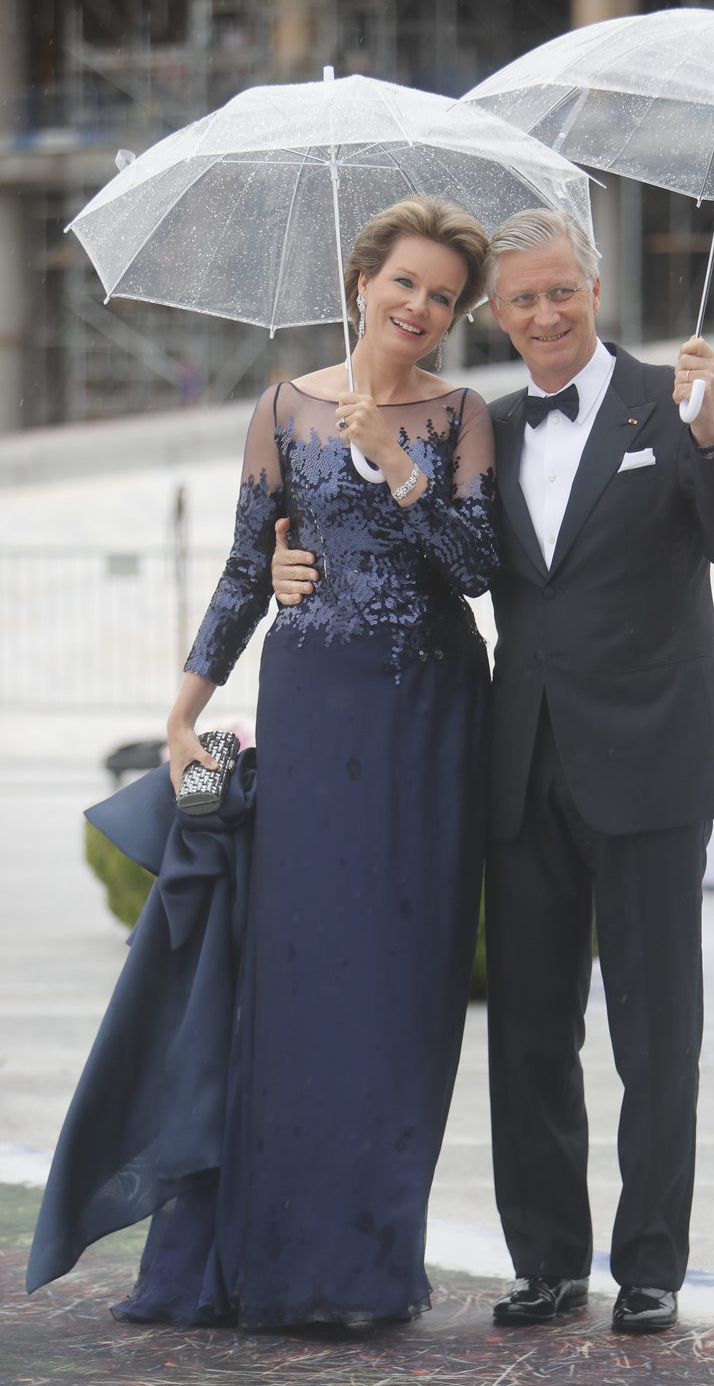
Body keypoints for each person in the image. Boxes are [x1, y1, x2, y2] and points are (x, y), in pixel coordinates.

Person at [271, 208, 714, 1336]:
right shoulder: (484, 424)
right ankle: (548, 1261)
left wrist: (707, 441)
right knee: (529, 1034)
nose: (542, 314)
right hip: (521, 761)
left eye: (560, 292)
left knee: (657, 1033)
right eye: (518, 300)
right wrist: (292, 548)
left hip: (653, 762)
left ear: (593, 290)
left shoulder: (675, 399)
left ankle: (650, 1264)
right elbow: (445, 554)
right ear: (491, 315)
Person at [29, 196, 498, 1329]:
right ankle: (276, 1256)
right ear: (361, 283)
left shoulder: (461, 415)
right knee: (298, 990)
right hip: (312, 715)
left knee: (401, 997)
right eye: (407, 286)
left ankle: (366, 1266)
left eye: (442, 297)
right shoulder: (280, 409)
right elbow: (249, 570)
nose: (422, 310)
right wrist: (186, 708)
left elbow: (479, 567)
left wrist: (397, 464)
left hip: (428, 721)